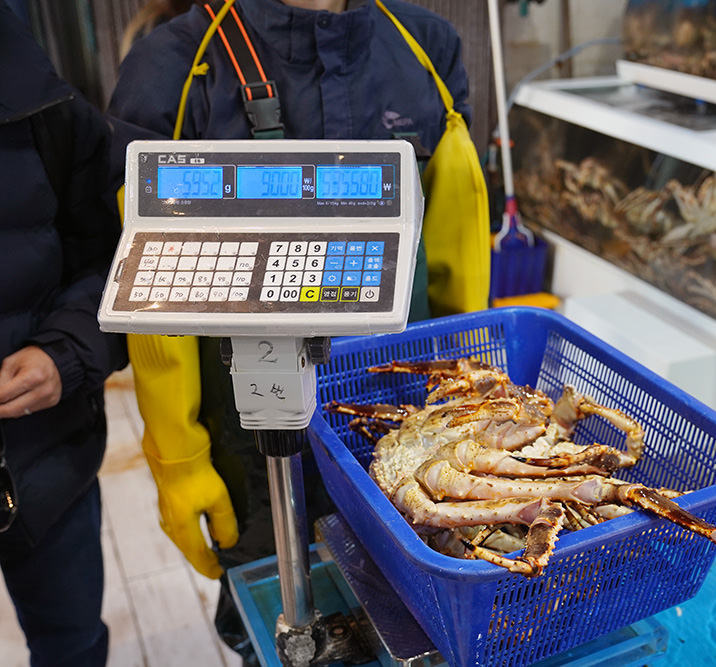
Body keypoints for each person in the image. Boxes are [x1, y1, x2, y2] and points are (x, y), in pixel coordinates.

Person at [108, 1, 474, 662]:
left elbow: (455, 246)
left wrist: (460, 401)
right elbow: (148, 273)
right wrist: (179, 456)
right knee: (276, 630)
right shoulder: (174, 69)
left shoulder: (426, 51)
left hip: (398, 433)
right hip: (251, 448)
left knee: (407, 623)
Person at [0, 4, 128, 666]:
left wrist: (66, 352)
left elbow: (116, 256)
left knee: (73, 643)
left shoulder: (38, 99)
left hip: (44, 457)